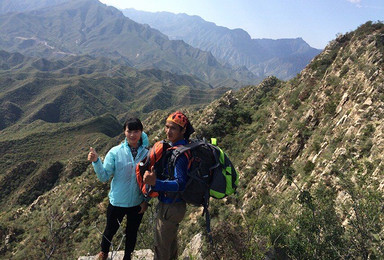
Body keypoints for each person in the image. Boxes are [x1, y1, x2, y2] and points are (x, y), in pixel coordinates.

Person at [88, 118, 149, 260]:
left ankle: (127, 257)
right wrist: (96, 161)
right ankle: (103, 253)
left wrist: (146, 200)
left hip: (137, 202)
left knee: (132, 233)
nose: (133, 135)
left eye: (136, 131)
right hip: (117, 202)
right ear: (124, 132)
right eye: (129, 131)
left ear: (141, 132)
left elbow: (150, 182)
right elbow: (103, 177)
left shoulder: (147, 154)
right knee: (110, 231)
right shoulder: (115, 152)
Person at [143, 111, 195, 260]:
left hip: (170, 206)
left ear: (183, 131)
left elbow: (180, 183)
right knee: (170, 245)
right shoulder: (179, 148)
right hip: (175, 206)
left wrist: (156, 183)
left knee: (161, 249)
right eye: (167, 127)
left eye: (173, 128)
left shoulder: (180, 155)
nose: (168, 131)